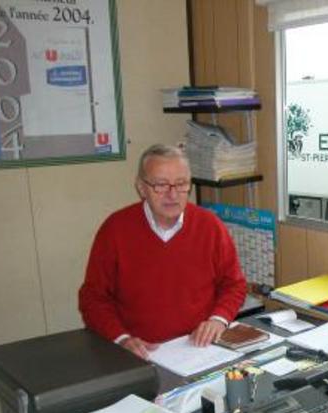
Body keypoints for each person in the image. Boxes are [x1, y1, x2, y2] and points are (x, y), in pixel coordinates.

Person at [79, 144, 246, 358]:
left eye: (181, 184)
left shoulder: (210, 226)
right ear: (141, 187)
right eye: (161, 185)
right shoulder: (115, 230)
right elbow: (92, 298)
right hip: (140, 353)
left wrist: (218, 319)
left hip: (199, 349)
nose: (172, 194)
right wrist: (121, 338)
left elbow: (234, 285)